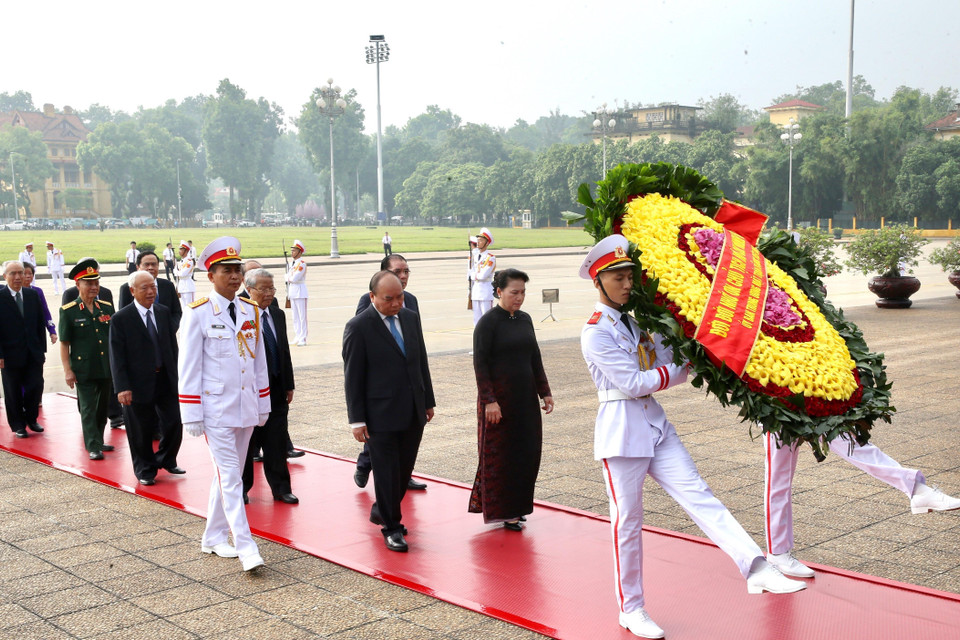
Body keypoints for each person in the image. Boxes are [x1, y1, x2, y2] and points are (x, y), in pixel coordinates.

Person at [579, 235, 804, 639]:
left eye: (630, 275)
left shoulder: (636, 321)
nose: (627, 283)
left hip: (655, 424)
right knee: (627, 523)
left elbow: (669, 356)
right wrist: (680, 370)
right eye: (618, 277)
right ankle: (631, 609)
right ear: (598, 281)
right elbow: (633, 382)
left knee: (700, 495)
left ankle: (755, 567)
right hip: (622, 432)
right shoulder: (596, 331)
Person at [178, 236, 270, 572]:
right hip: (216, 410)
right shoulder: (199, 313)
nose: (234, 276)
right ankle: (246, 547)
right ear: (210, 275)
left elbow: (257, 362)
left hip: (245, 407)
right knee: (232, 478)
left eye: (237, 270)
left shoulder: (251, 311)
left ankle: (213, 535)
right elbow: (188, 367)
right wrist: (191, 414)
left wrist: (263, 406)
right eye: (226, 270)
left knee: (226, 476)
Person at [763, 432, 960, 578]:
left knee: (853, 444)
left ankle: (917, 490)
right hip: (774, 400)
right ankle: (778, 552)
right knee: (779, 479)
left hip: (808, 391)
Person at [343, 270, 436, 552]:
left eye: (400, 297)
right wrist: (356, 420)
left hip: (412, 410)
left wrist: (428, 400)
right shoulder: (359, 326)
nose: (396, 303)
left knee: (403, 470)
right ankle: (391, 527)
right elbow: (353, 376)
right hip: (379, 414)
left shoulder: (410, 318)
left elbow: (421, 361)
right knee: (385, 472)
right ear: (372, 297)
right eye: (389, 299)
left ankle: (381, 510)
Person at [469, 268, 553, 530]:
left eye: (523, 292)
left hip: (525, 401)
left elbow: (534, 358)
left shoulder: (525, 319)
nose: (519, 297)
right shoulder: (488, 323)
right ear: (499, 292)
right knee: (501, 457)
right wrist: (489, 401)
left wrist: (545, 391)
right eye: (514, 292)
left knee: (525, 455)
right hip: (499, 404)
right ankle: (504, 511)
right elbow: (480, 365)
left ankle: (518, 506)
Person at [353, 254, 426, 492]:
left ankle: (404, 476)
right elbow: (361, 342)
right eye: (397, 272)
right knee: (379, 439)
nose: (403, 276)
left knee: (405, 440)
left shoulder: (411, 301)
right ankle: (365, 465)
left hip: (407, 386)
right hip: (382, 388)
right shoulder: (368, 301)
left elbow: (416, 344)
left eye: (406, 271)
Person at [109, 271, 184, 485]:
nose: (151, 292)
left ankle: (166, 459)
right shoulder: (121, 318)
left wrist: (179, 377)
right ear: (132, 291)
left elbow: (172, 348)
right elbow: (117, 356)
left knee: (173, 423)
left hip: (165, 379)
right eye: (145, 288)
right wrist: (122, 387)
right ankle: (145, 469)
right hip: (136, 384)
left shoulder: (162, 312)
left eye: (153, 287)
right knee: (140, 430)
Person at [241, 268, 298, 505]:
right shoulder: (241, 313)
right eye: (263, 289)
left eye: (271, 288)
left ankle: (281, 488)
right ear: (249, 289)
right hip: (249, 390)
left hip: (275, 388)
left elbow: (283, 350)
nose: (269, 293)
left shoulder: (276, 314)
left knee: (276, 441)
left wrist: (288, 383)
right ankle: (242, 488)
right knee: (246, 443)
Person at [59, 259, 115, 460]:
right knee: (88, 408)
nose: (93, 287)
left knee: (102, 408)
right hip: (83, 368)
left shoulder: (106, 308)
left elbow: (113, 339)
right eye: (88, 283)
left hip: (105, 367)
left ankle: (98, 440)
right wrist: (68, 370)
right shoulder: (69, 311)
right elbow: (64, 344)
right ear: (78, 285)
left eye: (96, 283)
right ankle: (92, 445)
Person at [0, 261, 47, 438]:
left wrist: (41, 349)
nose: (18, 277)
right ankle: (18, 424)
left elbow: (39, 323)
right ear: (5, 277)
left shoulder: (32, 295)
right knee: (12, 391)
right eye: (13, 273)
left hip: (33, 352)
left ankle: (31, 418)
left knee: (36, 386)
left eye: (20, 272)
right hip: (10, 354)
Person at [118, 251, 182, 331]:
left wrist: (170, 329)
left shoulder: (168, 285)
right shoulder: (127, 288)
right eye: (146, 264)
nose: (150, 267)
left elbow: (177, 312)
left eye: (154, 264)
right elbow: (123, 316)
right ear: (138, 267)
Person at [21, 262, 58, 345]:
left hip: (35, 334)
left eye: (30, 273)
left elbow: (45, 311)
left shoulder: (37, 291)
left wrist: (52, 330)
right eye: (24, 273)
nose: (28, 276)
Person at [470, 228, 496, 325]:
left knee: (487, 319)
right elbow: (470, 272)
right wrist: (474, 275)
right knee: (476, 320)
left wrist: (474, 275)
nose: (478, 242)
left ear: (487, 243)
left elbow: (483, 276)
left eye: (481, 240)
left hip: (485, 292)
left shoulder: (490, 258)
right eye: (478, 240)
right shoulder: (476, 256)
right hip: (476, 292)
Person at [286, 239, 308, 346]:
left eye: (294, 250)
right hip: (292, 291)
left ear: (299, 252)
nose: (292, 252)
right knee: (295, 316)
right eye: (292, 250)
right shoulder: (291, 264)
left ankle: (303, 338)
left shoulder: (301, 264)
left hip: (300, 291)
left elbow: (294, 278)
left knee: (302, 316)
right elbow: (287, 277)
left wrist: (288, 277)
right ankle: (297, 335)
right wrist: (288, 277)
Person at [175, 240, 196, 307]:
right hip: (181, 286)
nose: (179, 251)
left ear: (186, 251)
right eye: (179, 249)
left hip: (188, 286)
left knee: (190, 307)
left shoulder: (189, 261)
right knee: (184, 308)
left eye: (181, 249)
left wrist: (176, 272)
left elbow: (183, 273)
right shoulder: (181, 261)